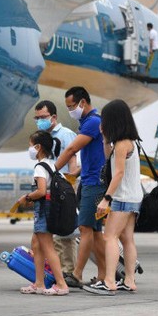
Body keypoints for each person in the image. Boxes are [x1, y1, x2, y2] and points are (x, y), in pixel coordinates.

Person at [83, 99, 142, 295]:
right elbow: (109, 159)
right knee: (127, 239)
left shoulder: (121, 145)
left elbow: (118, 173)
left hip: (122, 198)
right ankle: (129, 280)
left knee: (109, 237)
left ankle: (109, 280)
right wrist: (104, 139)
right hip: (134, 197)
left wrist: (106, 198)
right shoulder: (130, 142)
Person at [52, 86, 106, 288]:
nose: (70, 111)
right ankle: (104, 275)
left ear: (83, 102)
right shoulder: (90, 122)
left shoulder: (92, 122)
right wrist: (78, 171)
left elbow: (73, 148)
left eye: (71, 106)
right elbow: (95, 156)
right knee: (95, 232)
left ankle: (76, 274)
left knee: (85, 229)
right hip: (90, 179)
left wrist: (53, 169)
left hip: (94, 184)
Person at [17, 130, 69, 296]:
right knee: (36, 244)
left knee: (47, 247)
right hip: (50, 208)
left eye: (31, 145)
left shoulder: (40, 167)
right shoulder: (53, 165)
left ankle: (61, 284)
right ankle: (38, 283)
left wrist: (26, 197)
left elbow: (40, 191)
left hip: (44, 209)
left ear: (38, 147)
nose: (30, 149)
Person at [34, 100, 79, 284]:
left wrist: (70, 182)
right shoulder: (43, 136)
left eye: (43, 117)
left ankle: (68, 272)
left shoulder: (66, 134)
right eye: (37, 118)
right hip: (48, 188)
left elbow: (73, 159)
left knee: (63, 232)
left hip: (63, 187)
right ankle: (57, 271)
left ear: (53, 117)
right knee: (50, 230)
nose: (39, 121)